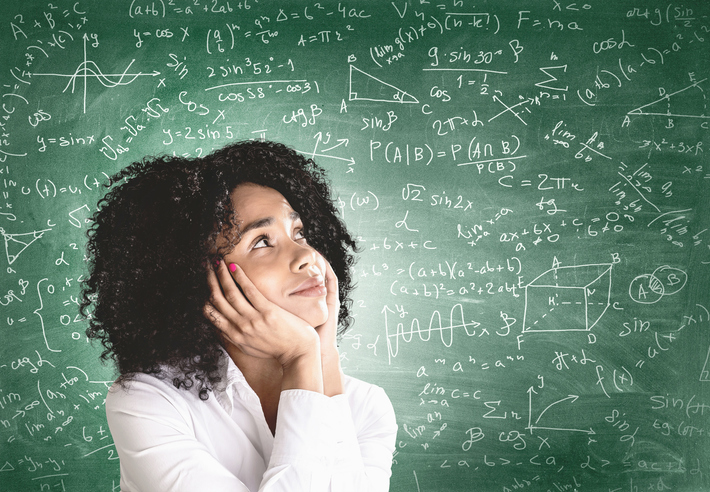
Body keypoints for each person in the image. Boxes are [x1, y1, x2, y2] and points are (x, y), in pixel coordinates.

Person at [80, 140, 397, 491]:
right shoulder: (148, 404)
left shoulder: (367, 408)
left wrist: (321, 356)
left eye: (299, 233)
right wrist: (301, 358)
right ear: (197, 277)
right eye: (262, 241)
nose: (307, 256)